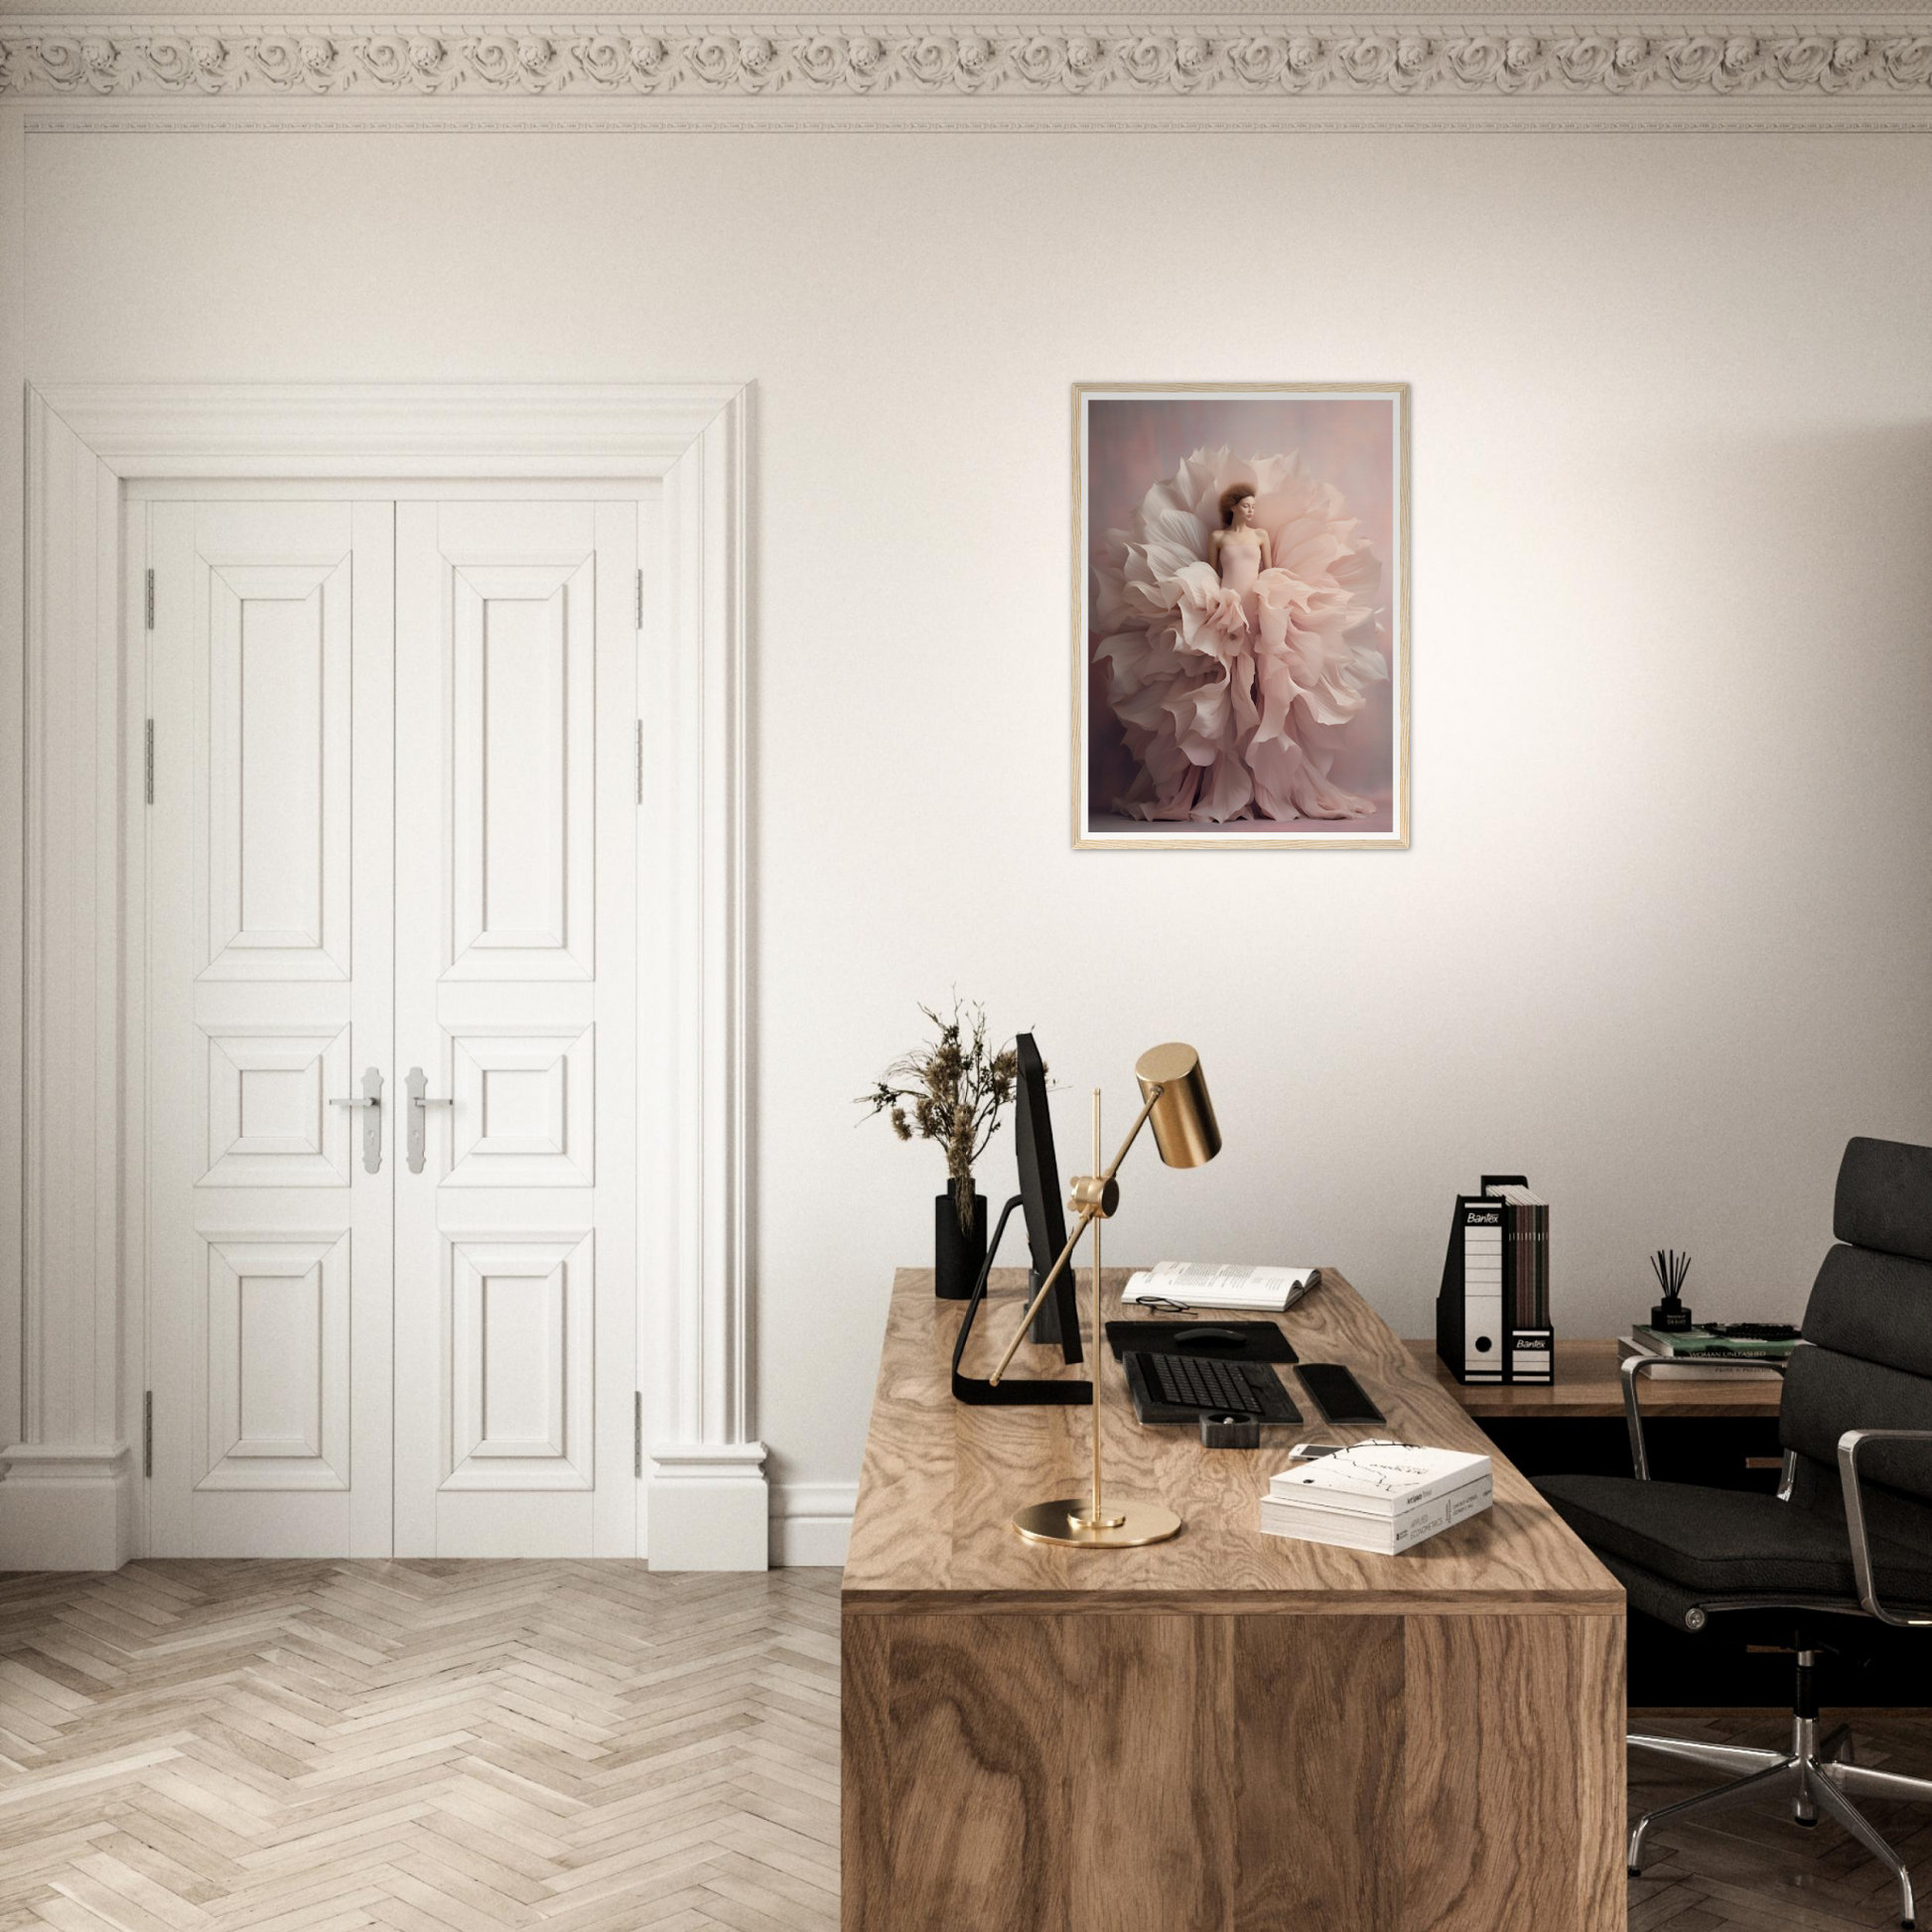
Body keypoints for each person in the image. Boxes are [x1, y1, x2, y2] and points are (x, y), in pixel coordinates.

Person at [1093, 451, 1389, 823]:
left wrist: (1270, 604)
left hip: (1259, 609)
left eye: (1253, 505)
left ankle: (1265, 785)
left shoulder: (1261, 535)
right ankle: (1222, 785)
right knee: (1228, 690)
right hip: (1227, 612)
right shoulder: (1218, 537)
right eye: (1247, 505)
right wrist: (1218, 606)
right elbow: (1217, 572)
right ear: (1234, 507)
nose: (1252, 510)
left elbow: (1266, 567)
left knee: (1262, 689)